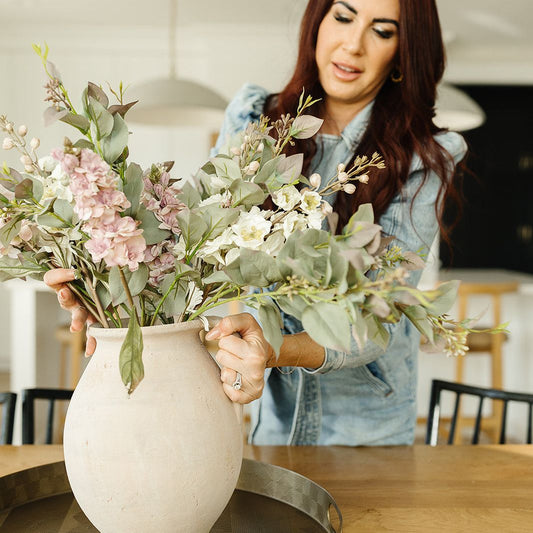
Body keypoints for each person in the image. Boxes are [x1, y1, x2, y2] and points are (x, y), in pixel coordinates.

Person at [45, 0, 467, 446]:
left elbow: (380, 321)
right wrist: (108, 290)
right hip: (275, 418)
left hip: (369, 425)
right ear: (318, 22)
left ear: (402, 53)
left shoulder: (423, 158)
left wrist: (271, 350)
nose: (353, 44)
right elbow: (193, 244)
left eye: (382, 31)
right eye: (343, 17)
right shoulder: (254, 121)